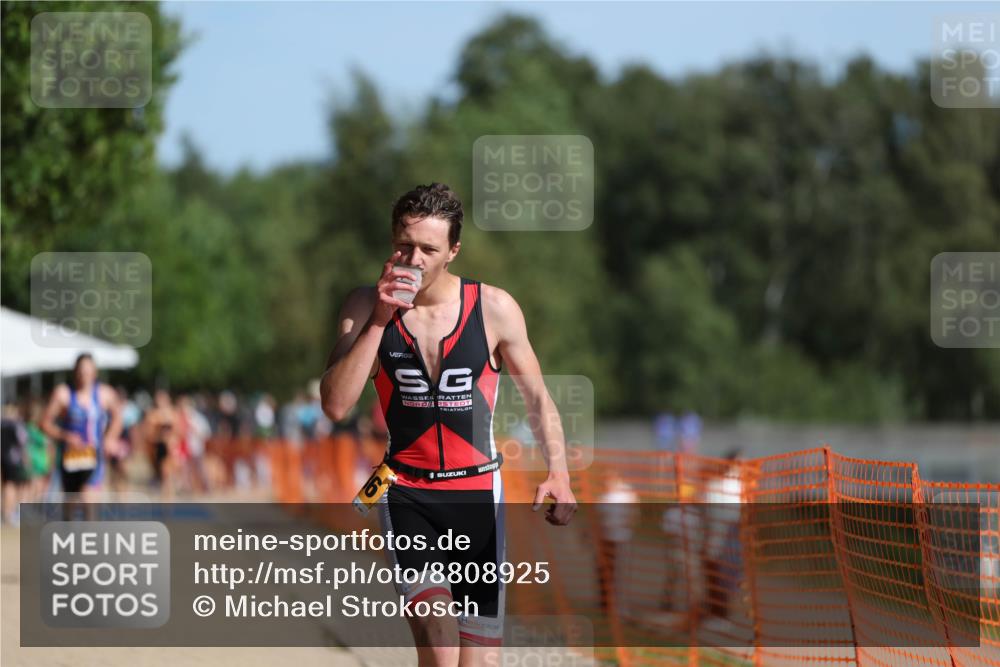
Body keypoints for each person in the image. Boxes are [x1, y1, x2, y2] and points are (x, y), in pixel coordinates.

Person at [320, 183, 577, 666]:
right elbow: (335, 405)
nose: (412, 258)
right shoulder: (362, 305)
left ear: (453, 251)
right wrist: (379, 319)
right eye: (403, 244)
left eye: (427, 249)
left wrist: (559, 472)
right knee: (439, 645)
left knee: (479, 660)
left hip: (479, 494)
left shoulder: (494, 307)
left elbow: (539, 397)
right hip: (407, 493)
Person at [40, 353, 123, 509]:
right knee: (69, 507)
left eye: (87, 371)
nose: (84, 375)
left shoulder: (105, 394)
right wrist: (64, 436)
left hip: (94, 456)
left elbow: (118, 417)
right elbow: (44, 423)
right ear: (75, 372)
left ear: (95, 372)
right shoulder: (63, 394)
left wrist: (110, 438)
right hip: (69, 457)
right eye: (81, 371)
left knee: (88, 500)